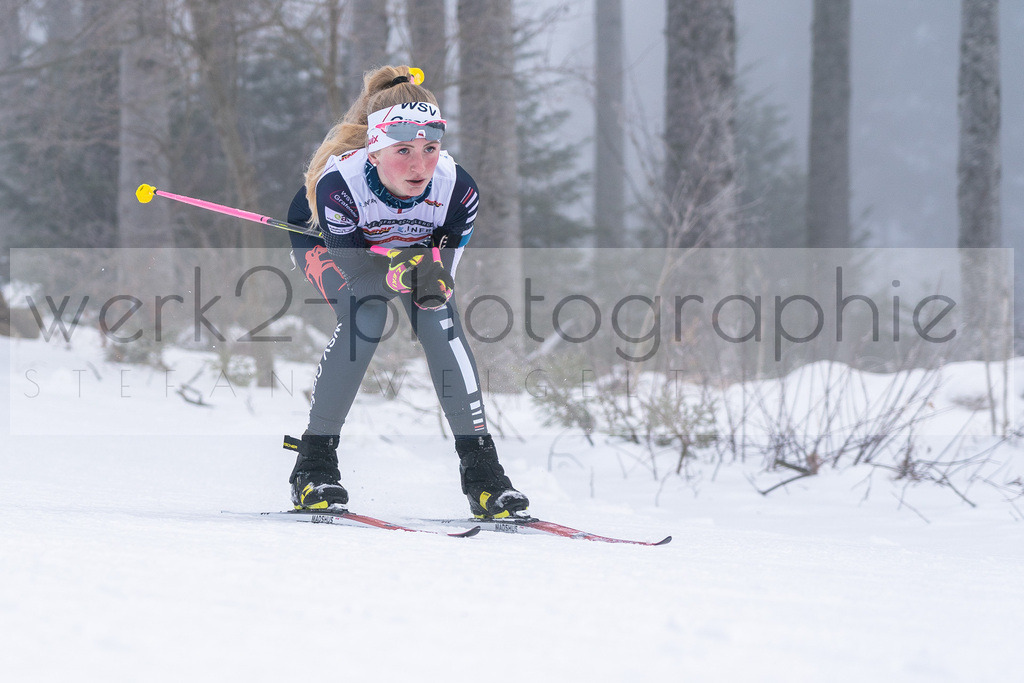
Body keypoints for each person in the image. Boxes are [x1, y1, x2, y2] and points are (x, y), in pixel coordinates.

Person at [283, 65, 529, 520]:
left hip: (410, 253)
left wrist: (425, 275)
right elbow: (359, 276)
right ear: (373, 151)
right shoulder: (339, 186)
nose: (419, 166)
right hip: (332, 243)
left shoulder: (458, 191)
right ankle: (313, 466)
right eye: (403, 151)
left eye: (430, 149)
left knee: (438, 320)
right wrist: (396, 272)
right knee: (366, 317)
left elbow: (439, 282)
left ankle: (484, 476)